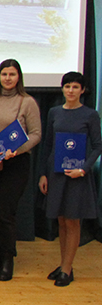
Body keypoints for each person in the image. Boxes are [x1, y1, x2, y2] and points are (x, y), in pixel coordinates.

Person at [0, 58, 41, 281]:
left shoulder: (27, 102)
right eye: (4, 74)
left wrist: (18, 150)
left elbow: (36, 134)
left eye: (12, 74)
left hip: (16, 163)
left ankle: (7, 258)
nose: (8, 78)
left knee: (4, 212)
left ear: (18, 77)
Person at [37, 71, 100, 287]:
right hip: (56, 174)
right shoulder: (54, 112)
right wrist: (43, 173)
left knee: (73, 221)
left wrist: (83, 169)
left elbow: (98, 146)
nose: (70, 90)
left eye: (75, 87)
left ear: (82, 90)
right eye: (67, 86)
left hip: (77, 176)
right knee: (61, 220)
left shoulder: (90, 115)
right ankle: (64, 264)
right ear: (62, 89)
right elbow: (48, 144)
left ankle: (66, 269)